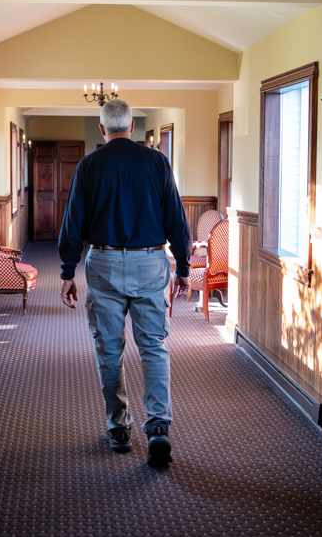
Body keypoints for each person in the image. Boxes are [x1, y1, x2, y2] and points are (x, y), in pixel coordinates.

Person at [58, 99, 192, 467]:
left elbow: (73, 223)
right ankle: (158, 427)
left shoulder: (88, 166)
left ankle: (118, 427)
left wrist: (68, 271)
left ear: (103, 129)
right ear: (131, 127)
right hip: (150, 261)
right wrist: (183, 266)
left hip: (102, 262)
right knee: (154, 346)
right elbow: (176, 221)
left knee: (109, 349)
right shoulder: (156, 162)